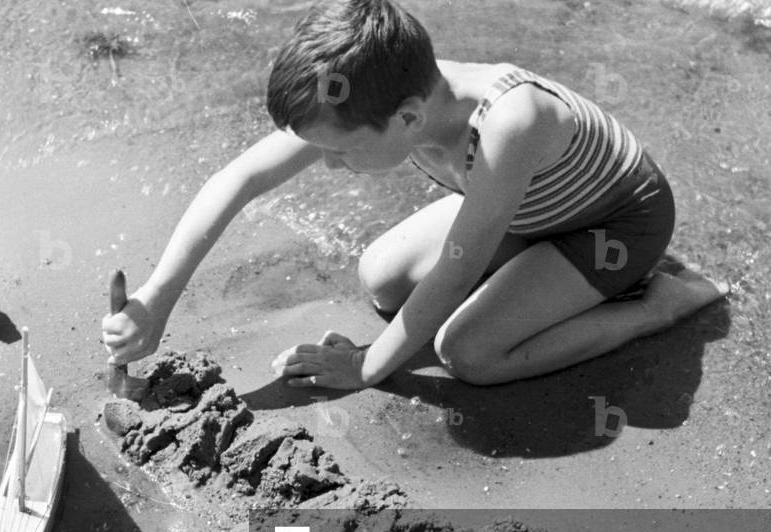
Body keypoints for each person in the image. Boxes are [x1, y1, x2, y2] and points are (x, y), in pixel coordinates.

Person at [102, 0, 728, 389]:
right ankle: (537, 276)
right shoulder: (384, 94)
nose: (326, 165)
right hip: (531, 205)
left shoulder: (510, 121)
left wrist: (368, 367)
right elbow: (238, 179)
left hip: (617, 227)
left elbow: (457, 272)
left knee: (470, 352)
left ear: (405, 120)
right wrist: (158, 298)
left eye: (338, 151)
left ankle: (659, 303)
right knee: (381, 276)